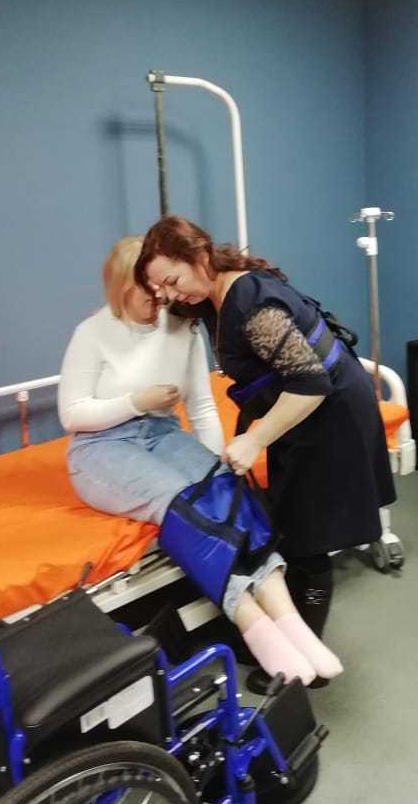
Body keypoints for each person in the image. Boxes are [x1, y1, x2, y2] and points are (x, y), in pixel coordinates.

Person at [58, 235, 342, 687]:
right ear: (121, 288)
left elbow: (203, 407)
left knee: (225, 489)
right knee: (185, 504)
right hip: (100, 447)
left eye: (163, 290)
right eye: (148, 293)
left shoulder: (180, 327)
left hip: (162, 432)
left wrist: (216, 469)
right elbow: (72, 416)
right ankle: (255, 626)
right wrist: (136, 401)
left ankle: (291, 622)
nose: (161, 301)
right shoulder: (92, 334)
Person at [136, 216, 396, 689]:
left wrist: (253, 439)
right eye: (161, 289)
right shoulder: (213, 296)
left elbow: (311, 383)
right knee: (291, 526)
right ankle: (289, 638)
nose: (171, 295)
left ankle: (304, 671)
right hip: (299, 416)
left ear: (198, 256)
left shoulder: (251, 304)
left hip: (329, 415)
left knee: (309, 539)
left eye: (172, 281)